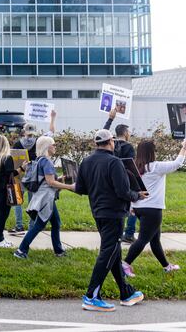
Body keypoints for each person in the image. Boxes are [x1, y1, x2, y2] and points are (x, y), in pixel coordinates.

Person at [74, 129, 147, 312]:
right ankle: (91, 296)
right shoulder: (114, 162)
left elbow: (81, 188)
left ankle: (126, 292)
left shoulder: (87, 161)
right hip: (113, 213)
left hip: (98, 211)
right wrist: (137, 195)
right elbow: (123, 191)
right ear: (111, 142)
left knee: (113, 252)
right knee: (108, 252)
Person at [122, 139, 186, 277]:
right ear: (152, 152)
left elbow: (133, 187)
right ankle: (125, 264)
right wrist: (184, 148)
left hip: (139, 208)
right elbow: (177, 164)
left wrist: (133, 206)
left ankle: (166, 266)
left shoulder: (136, 168)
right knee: (143, 239)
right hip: (152, 210)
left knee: (155, 239)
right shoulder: (156, 167)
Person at [14, 135, 74, 259]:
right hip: (46, 199)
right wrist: (70, 187)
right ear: (47, 146)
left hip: (43, 197)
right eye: (54, 144)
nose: (55, 146)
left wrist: (62, 179)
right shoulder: (46, 162)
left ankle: (59, 251)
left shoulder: (39, 160)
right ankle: (21, 250)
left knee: (56, 223)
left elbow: (46, 180)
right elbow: (51, 182)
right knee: (39, 225)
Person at [10, 111, 57, 235]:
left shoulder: (17, 144)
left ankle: (19, 226)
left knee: (18, 201)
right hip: (35, 176)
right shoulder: (40, 142)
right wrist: (52, 118)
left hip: (21, 174)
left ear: (24, 132)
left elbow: (14, 160)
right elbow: (51, 133)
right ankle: (32, 226)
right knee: (33, 201)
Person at [103, 110, 138, 243]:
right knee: (132, 207)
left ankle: (116, 231)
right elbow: (131, 166)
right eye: (129, 132)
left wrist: (110, 119)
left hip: (109, 179)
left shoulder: (110, 144)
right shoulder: (129, 147)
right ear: (124, 133)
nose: (130, 134)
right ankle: (129, 233)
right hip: (126, 180)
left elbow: (102, 134)